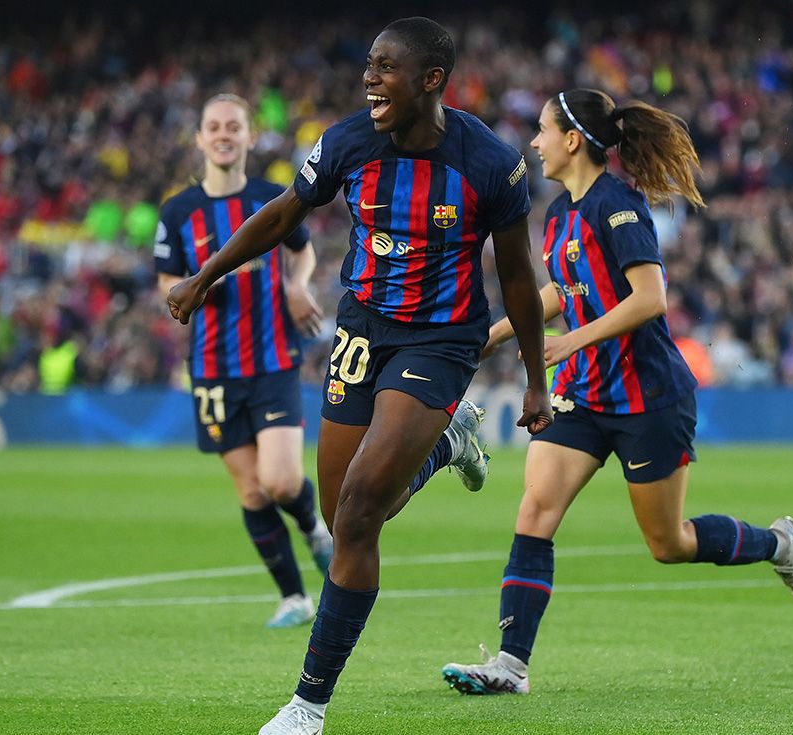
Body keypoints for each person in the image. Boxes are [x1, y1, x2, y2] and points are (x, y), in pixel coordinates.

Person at [166, 18, 553, 734]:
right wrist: (204, 272)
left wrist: (534, 378)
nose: (369, 79)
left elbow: (519, 279)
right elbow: (283, 213)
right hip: (361, 329)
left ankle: (307, 704)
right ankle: (447, 444)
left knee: (357, 510)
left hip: (439, 340)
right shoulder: (348, 142)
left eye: (385, 68)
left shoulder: (490, 163)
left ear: (431, 81)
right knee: (349, 516)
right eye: (368, 66)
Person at [440, 89, 793, 696]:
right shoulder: (562, 214)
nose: (533, 143)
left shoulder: (618, 206)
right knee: (534, 514)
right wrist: (488, 338)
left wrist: (567, 343)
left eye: (541, 131)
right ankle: (510, 668)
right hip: (584, 397)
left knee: (668, 544)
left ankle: (779, 543)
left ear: (571, 141)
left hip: (648, 398)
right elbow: (561, 294)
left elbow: (650, 299)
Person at [155, 93, 334, 629]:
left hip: (274, 358)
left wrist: (296, 286)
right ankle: (294, 598)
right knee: (251, 489)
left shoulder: (272, 199)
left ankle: (314, 528)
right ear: (200, 139)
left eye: (234, 126)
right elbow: (168, 281)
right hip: (211, 367)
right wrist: (195, 287)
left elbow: (302, 249)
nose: (224, 134)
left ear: (250, 137)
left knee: (281, 482)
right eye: (214, 126)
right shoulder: (178, 211)